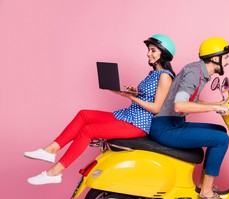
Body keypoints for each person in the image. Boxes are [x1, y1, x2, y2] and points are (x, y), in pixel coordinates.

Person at [25, 34, 176, 185]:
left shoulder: (165, 76)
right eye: (149, 50)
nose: (148, 53)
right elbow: (149, 96)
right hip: (129, 115)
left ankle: (55, 172)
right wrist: (134, 91)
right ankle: (50, 150)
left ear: (163, 53)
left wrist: (131, 97)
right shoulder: (154, 74)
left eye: (153, 50)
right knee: (84, 115)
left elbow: (156, 107)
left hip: (138, 124)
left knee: (88, 131)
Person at [149, 37, 229, 199]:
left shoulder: (199, 72)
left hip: (174, 123)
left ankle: (204, 185)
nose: (228, 62)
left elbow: (188, 101)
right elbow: (180, 105)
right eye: (225, 58)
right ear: (214, 58)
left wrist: (218, 105)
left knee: (220, 131)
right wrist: (214, 106)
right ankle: (207, 194)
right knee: (221, 140)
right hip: (165, 128)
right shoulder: (195, 72)